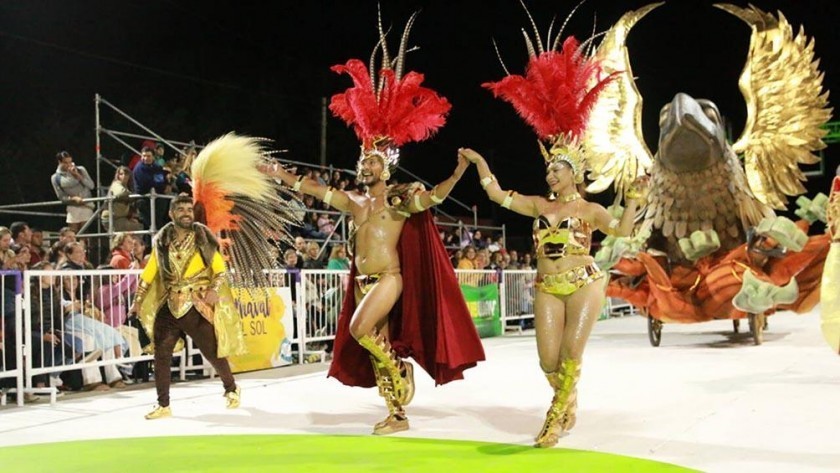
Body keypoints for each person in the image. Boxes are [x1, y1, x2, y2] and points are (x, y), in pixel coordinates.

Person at [261, 12, 484, 435]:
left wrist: (458, 173)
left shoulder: (399, 201)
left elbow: (433, 198)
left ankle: (400, 372)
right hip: (363, 280)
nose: (366, 165)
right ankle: (397, 412)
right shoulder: (354, 201)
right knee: (372, 338)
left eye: (373, 160)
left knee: (359, 329)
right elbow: (313, 189)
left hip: (389, 278)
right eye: (363, 160)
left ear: (388, 165)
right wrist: (280, 175)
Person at [458, 16, 646, 448]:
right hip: (548, 283)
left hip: (584, 282)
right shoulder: (539, 205)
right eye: (548, 168)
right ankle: (566, 395)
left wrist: (633, 199)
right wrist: (481, 165)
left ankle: (554, 419)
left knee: (571, 354)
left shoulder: (590, 208)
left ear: (574, 171)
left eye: (556, 168)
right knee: (547, 360)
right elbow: (500, 196)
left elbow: (621, 231)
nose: (549, 174)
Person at [129, 195, 245, 419]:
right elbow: (150, 272)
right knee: (161, 353)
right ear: (171, 214)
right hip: (170, 302)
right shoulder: (162, 240)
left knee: (211, 352)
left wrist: (214, 289)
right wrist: (137, 301)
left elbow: (220, 269)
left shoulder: (203, 236)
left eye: (188, 210)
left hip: (197, 303)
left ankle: (231, 388)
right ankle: (163, 405)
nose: (186, 213)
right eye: (180, 210)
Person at [51, 151, 96, 233]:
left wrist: (77, 175)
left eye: (70, 162)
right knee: (73, 233)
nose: (69, 165)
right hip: (72, 206)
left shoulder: (80, 170)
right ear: (59, 162)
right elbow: (61, 196)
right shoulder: (55, 178)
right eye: (65, 162)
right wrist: (73, 198)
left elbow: (91, 186)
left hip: (86, 204)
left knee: (85, 234)